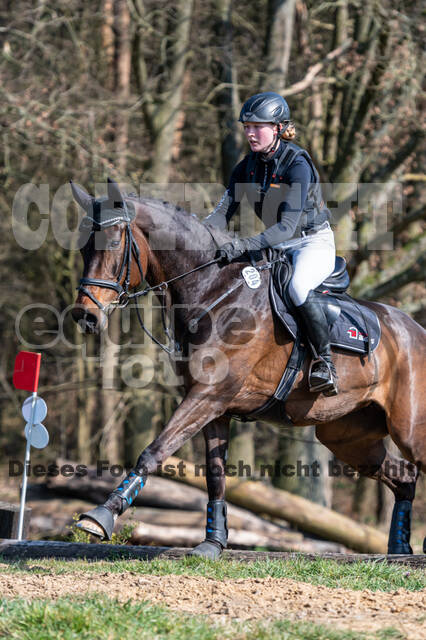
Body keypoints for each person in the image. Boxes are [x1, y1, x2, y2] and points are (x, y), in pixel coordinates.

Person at [204, 91, 338, 395]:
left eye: (257, 126)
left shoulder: (297, 164)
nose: (250, 133)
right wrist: (194, 239)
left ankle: (325, 363)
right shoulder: (246, 168)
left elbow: (288, 227)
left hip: (310, 243)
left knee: (297, 287)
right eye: (247, 127)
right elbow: (221, 214)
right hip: (277, 248)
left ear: (277, 128)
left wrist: (242, 246)